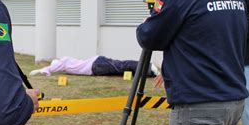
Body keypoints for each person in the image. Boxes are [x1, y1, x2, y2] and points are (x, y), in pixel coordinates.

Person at [29, 55, 159, 77]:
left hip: (96, 65)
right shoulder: (67, 65)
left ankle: (150, 67)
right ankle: (148, 72)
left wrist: (41, 71)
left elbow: (50, 69)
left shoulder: (64, 61)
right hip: (97, 65)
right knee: (121, 68)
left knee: (122, 65)